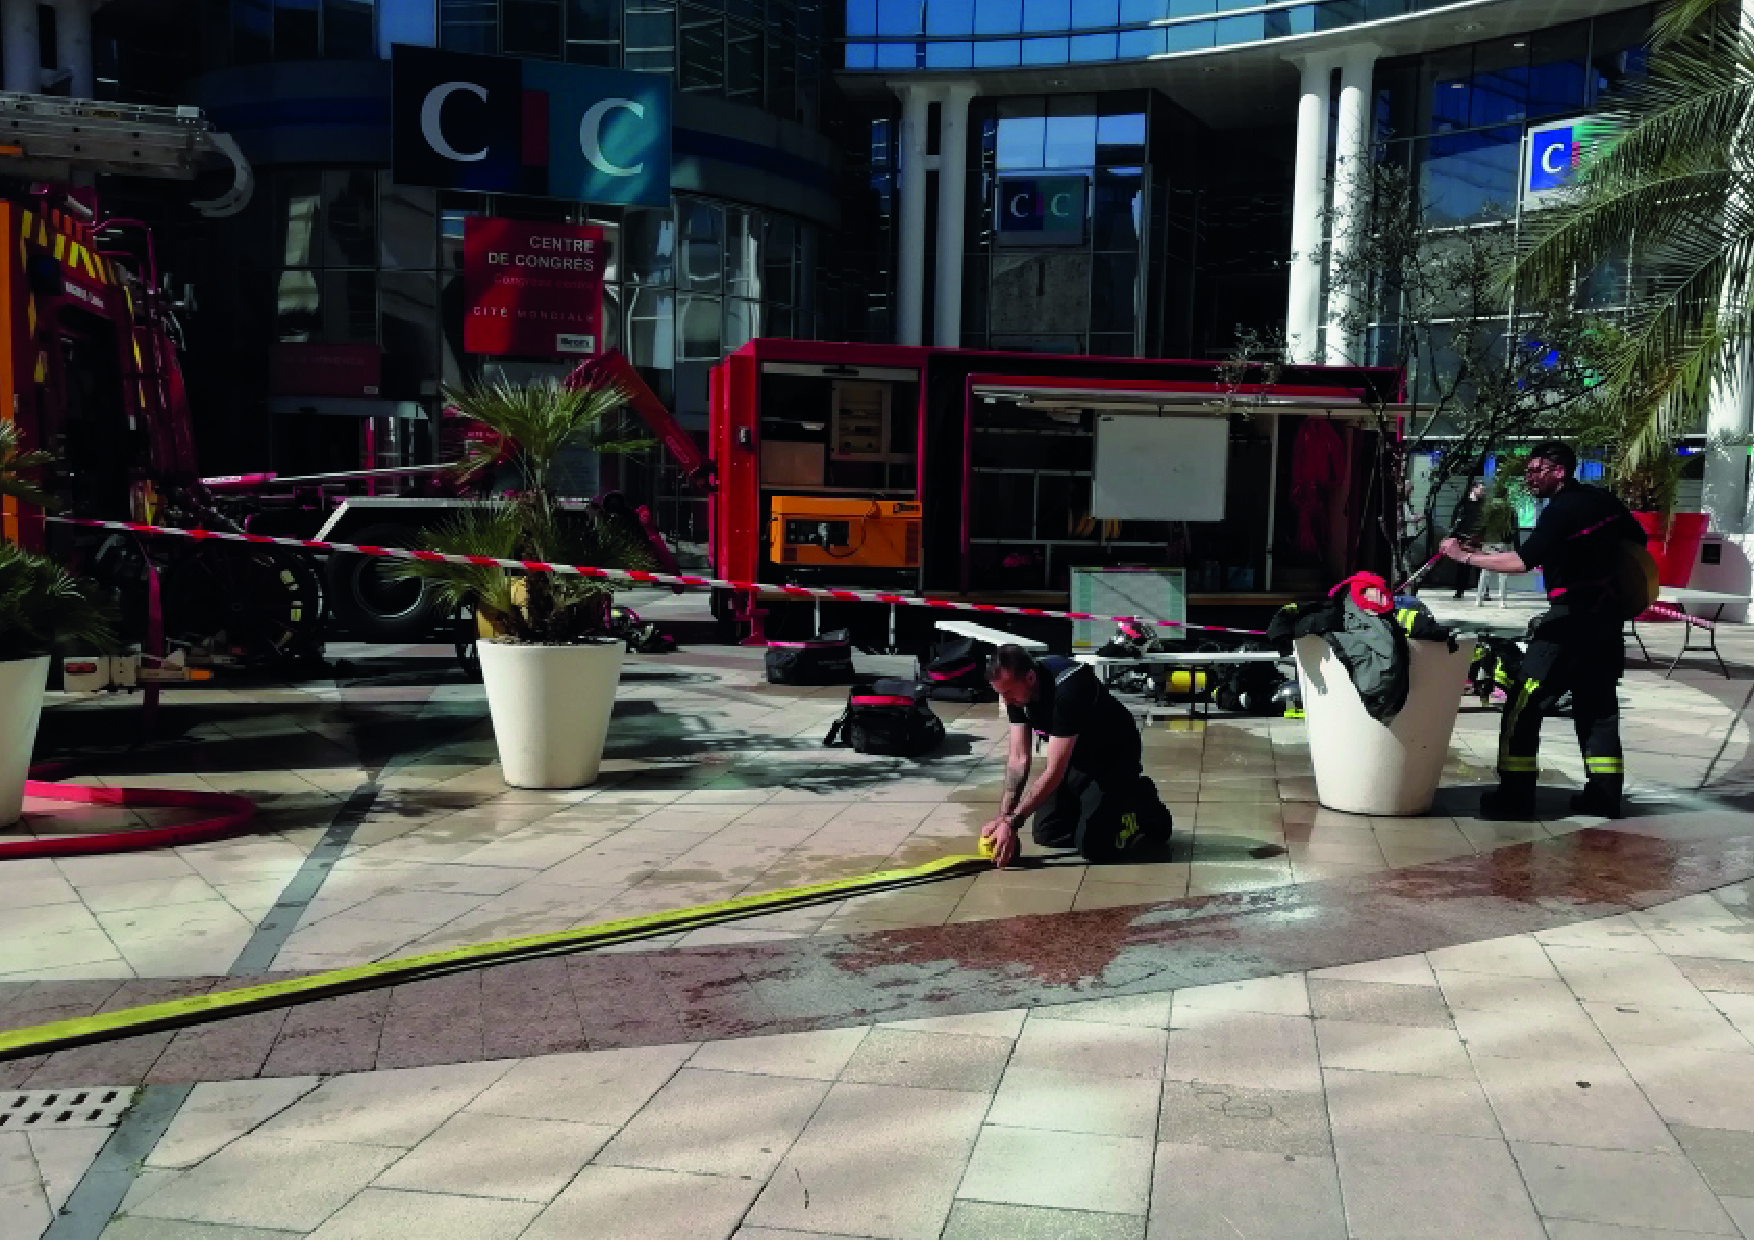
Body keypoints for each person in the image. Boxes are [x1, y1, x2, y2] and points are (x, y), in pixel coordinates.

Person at [1439, 441, 1644, 819]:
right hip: (1606, 623)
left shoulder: (1562, 509)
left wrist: (1463, 556)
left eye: (1536, 471)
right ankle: (1603, 797)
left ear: (1560, 471)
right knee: (1597, 708)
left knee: (1523, 702)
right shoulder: (1603, 502)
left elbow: (1522, 561)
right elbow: (1637, 541)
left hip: (1569, 622)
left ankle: (1514, 798)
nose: (1529, 478)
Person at [979, 645, 1174, 867]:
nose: (1004, 701)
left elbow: (1055, 769)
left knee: (1094, 847)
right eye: (1001, 694)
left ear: (1030, 677)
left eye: (1007, 693)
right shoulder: (1017, 694)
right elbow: (1018, 759)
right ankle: (1098, 810)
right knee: (1048, 833)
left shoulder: (1069, 687)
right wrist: (1004, 817)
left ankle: (1139, 801)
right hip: (1077, 759)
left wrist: (1013, 824)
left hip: (1113, 758)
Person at [1449, 480, 1488, 598]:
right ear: (1473, 488)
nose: (1483, 492)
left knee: (1481, 566)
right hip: (1464, 538)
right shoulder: (1463, 504)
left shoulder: (1483, 505)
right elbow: (1455, 521)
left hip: (1478, 539)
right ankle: (1459, 590)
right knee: (1463, 565)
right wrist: (1456, 537)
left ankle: (1484, 592)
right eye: (1481, 489)